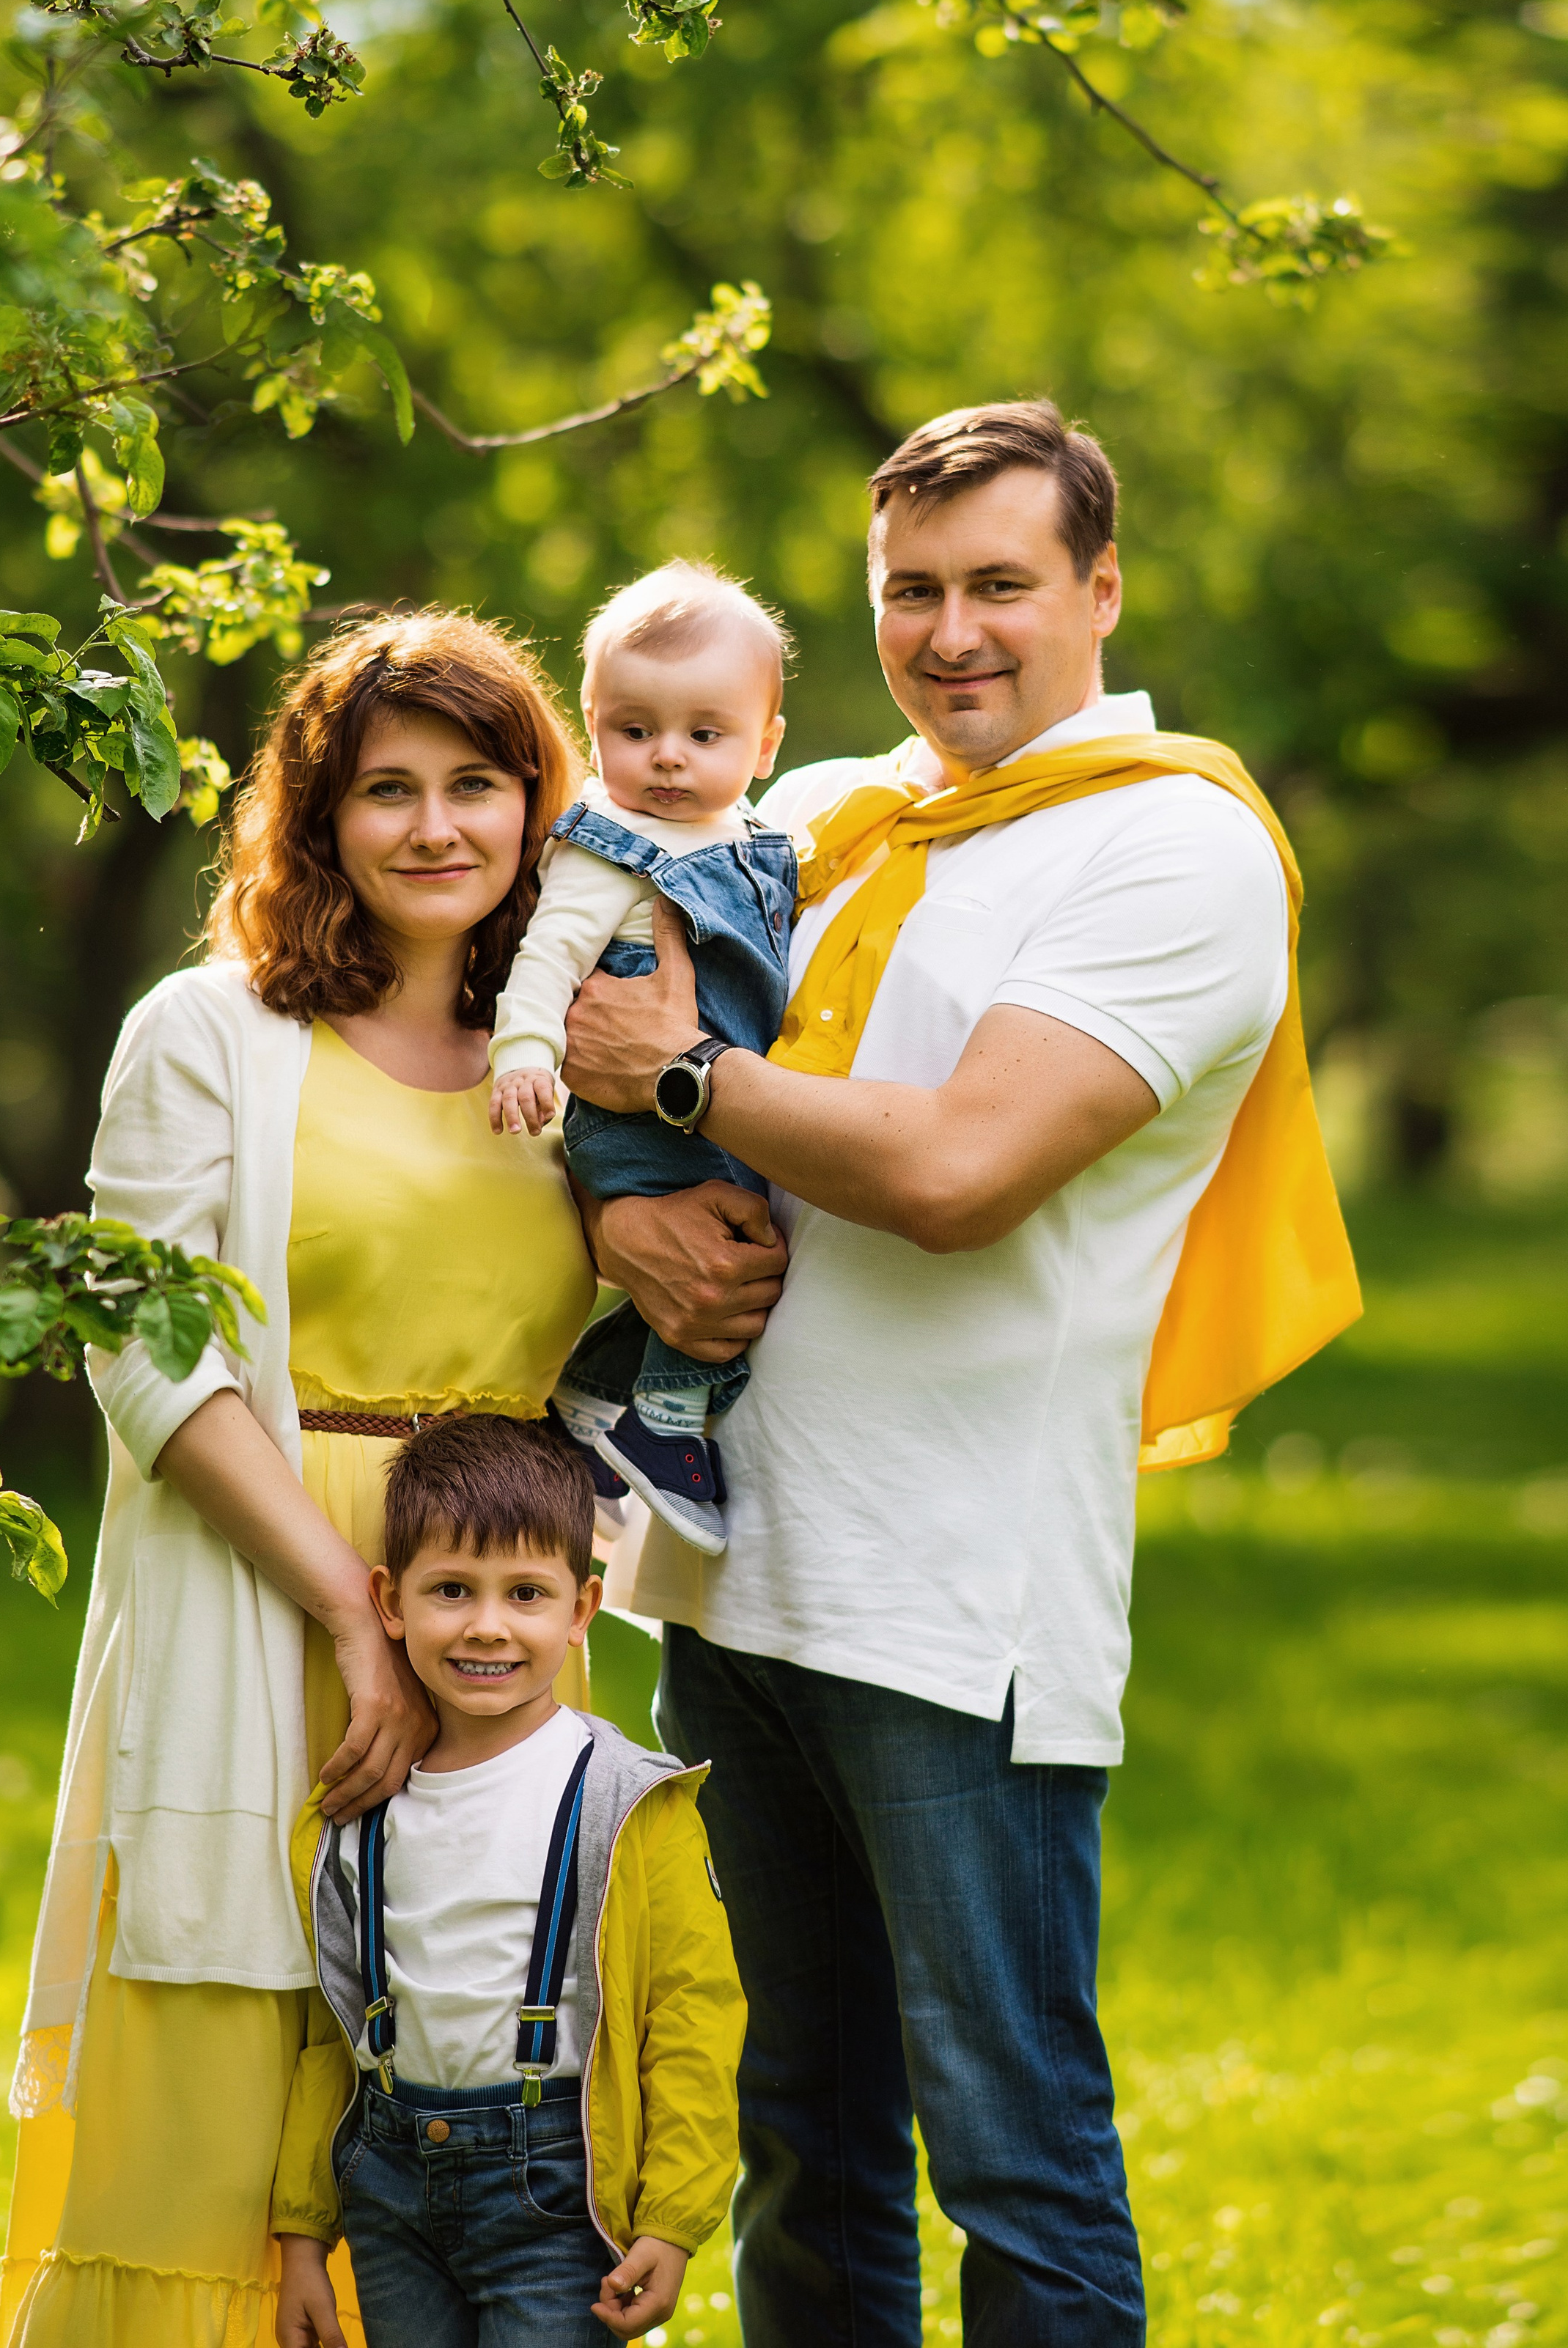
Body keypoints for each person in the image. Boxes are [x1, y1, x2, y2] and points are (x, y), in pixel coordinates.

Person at [559, 400, 1361, 2347]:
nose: (952, 631)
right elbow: (595, 1073)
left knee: (1015, 2163)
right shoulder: (818, 814)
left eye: (1002, 584)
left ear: (1100, 588)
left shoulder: (1174, 845)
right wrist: (621, 1217)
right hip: (735, 1585)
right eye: (908, 590)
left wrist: (677, 1074)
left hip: (958, 1609)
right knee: (798, 2154)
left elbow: (953, 1170)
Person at [0, 613, 602, 2348]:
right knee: (216, 2094)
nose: (431, 828)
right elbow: (137, 1347)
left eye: (475, 784)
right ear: (315, 819)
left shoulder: (583, 1064)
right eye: (382, 788)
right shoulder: (208, 1031)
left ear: (537, 806)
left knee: (469, 2092)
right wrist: (348, 1611)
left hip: (496, 1611)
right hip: (272, 1585)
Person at [271, 1413, 745, 2348]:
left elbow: (692, 2016)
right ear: (389, 1599)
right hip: (389, 2186)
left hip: (554, 2193)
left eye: (525, 1592)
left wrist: (672, 2218)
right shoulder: (360, 1811)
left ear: (581, 1610)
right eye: (452, 1588)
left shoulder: (627, 1800)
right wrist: (300, 2231)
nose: (487, 1624)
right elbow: (335, 2031)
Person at [487, 562, 798, 1554]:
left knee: (729, 1231)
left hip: (712, 1103)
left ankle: (590, 1394)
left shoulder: (756, 834)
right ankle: (664, 1424)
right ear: (593, 722)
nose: (667, 760)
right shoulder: (609, 845)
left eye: (704, 736)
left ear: (765, 742)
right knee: (733, 1244)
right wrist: (524, 1053)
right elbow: (547, 960)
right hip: (636, 1124)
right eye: (634, 731)